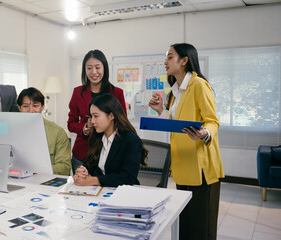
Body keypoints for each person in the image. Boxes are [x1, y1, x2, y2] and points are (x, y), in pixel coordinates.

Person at [148, 43, 224, 240]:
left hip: (201, 170)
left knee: (201, 230)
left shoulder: (198, 85)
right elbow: (176, 126)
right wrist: (160, 111)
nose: (165, 61)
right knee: (186, 228)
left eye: (170, 57)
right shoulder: (175, 92)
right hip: (182, 167)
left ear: (184, 61)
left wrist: (203, 133)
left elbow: (213, 121)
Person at [68, 49, 126, 174]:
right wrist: (83, 129)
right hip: (82, 154)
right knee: (81, 191)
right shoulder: (78, 92)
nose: (94, 72)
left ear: (104, 68)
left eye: (98, 67)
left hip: (109, 153)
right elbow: (71, 123)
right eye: (89, 68)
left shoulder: (117, 93)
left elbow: (123, 124)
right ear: (84, 70)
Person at [73, 94, 147, 187]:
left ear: (111, 115)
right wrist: (83, 171)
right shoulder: (97, 136)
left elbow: (128, 178)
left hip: (123, 194)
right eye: (91, 116)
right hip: (101, 192)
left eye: (96, 116)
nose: (92, 121)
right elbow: (91, 165)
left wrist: (94, 180)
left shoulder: (130, 140)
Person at [17, 87, 71, 176]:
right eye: (26, 106)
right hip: (19, 180)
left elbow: (64, 167)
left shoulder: (58, 132)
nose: (31, 111)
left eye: (35, 106)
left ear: (42, 107)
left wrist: (37, 171)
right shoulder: (13, 131)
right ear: (19, 108)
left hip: (47, 182)